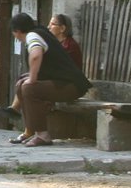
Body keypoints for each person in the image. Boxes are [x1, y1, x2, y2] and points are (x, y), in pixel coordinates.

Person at [8, 12, 91, 147]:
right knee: (21, 84)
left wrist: (32, 78)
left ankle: (43, 135)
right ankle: (30, 131)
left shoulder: (32, 36)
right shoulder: (40, 32)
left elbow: (36, 55)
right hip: (65, 83)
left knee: (29, 87)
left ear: (17, 31)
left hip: (72, 86)